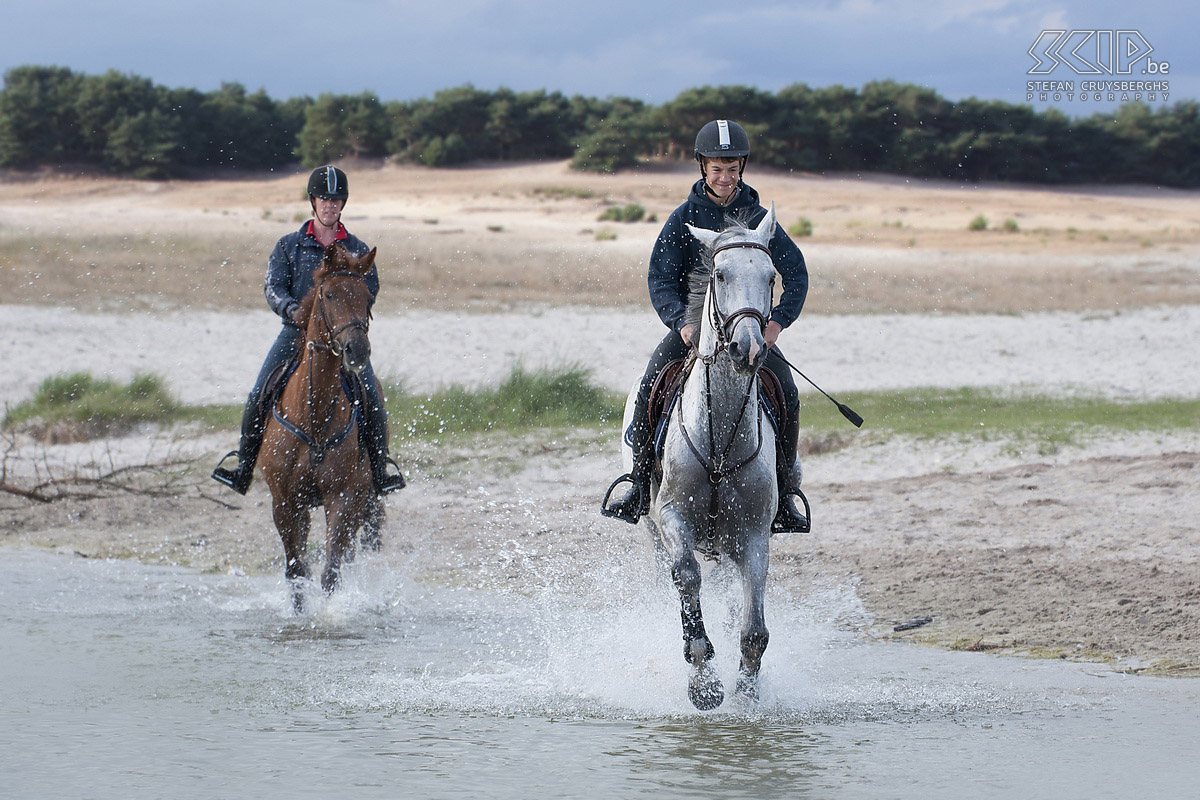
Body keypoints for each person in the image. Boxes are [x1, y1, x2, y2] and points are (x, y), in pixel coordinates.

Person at [601, 119, 809, 532]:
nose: (725, 177)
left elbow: (796, 275)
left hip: (747, 330)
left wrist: (777, 324)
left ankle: (784, 495)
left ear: (742, 168)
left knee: (787, 390)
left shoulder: (759, 218)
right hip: (693, 330)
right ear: (702, 167)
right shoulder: (683, 218)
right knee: (649, 384)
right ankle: (639, 483)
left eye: (732, 168)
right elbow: (660, 279)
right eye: (717, 168)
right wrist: (680, 323)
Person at [211, 165, 405, 496]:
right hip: (295, 333)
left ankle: (379, 472)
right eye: (324, 199)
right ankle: (243, 467)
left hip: (343, 336)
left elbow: (369, 289)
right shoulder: (289, 245)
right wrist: (292, 309)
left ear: (343, 204)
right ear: (312, 202)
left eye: (336, 200)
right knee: (259, 393)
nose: (330, 205)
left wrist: (349, 316)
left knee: (372, 397)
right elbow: (273, 287)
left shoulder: (357, 248)